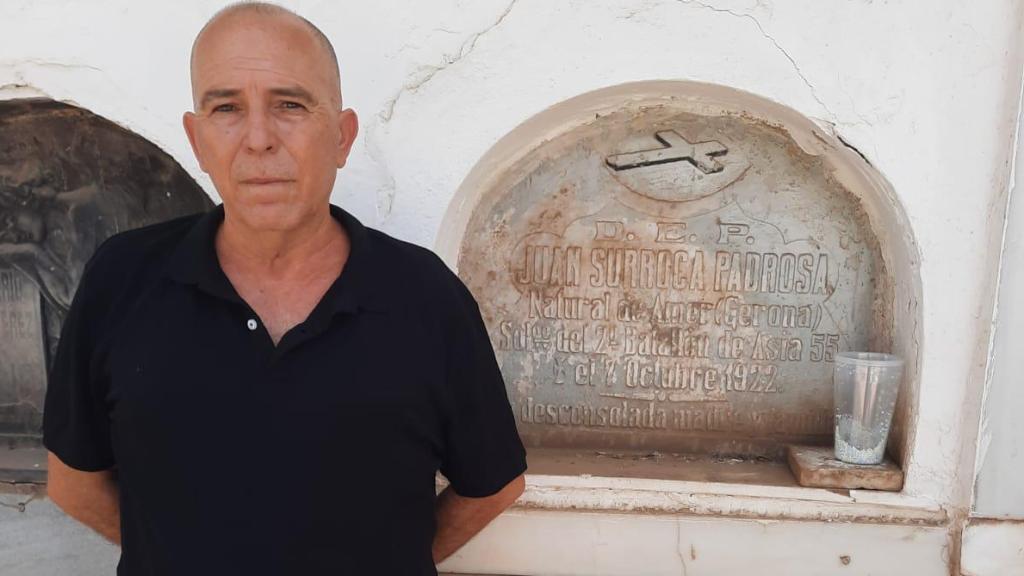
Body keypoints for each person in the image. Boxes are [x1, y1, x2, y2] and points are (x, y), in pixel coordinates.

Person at [41, 3, 528, 574]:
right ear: (196, 141)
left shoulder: (425, 296)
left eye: (290, 105)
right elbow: (73, 482)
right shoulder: (121, 279)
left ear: (343, 137)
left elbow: (493, 485)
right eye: (226, 108)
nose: (257, 139)